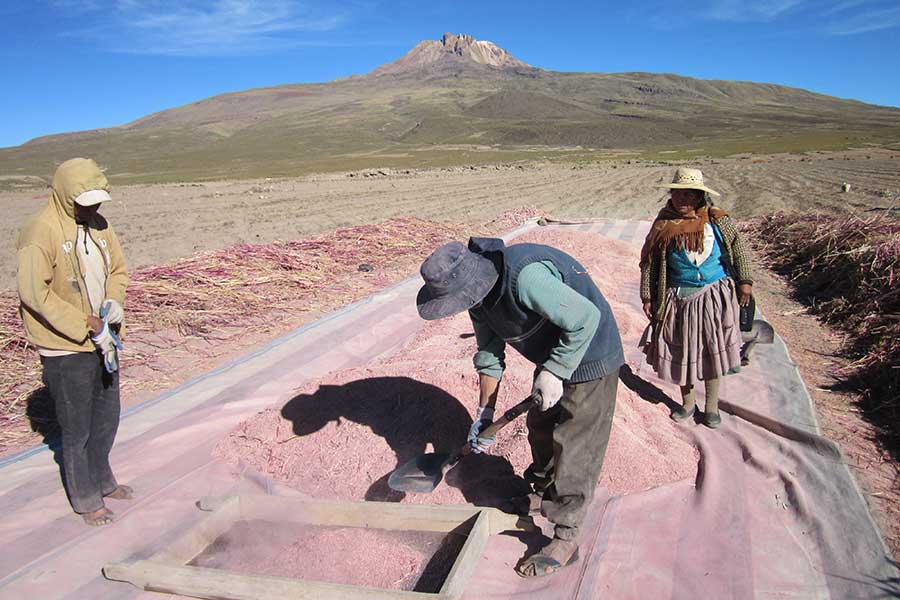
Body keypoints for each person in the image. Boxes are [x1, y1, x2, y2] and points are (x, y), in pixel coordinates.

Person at [417, 237, 624, 577]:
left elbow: (587, 318)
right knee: (540, 428)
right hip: (554, 357)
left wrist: (556, 370)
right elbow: (488, 356)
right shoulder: (478, 299)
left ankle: (566, 535)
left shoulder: (525, 279)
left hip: (592, 353)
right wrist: (484, 414)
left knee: (575, 443)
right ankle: (544, 494)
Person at [16, 157, 131, 526]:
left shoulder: (99, 225)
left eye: (98, 200)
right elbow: (35, 292)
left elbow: (117, 269)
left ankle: (103, 479)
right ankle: (85, 498)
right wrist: (84, 324)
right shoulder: (42, 231)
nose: (94, 207)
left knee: (107, 417)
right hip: (66, 345)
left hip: (104, 340)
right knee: (77, 425)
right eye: (86, 201)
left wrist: (113, 304)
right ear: (66, 195)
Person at [638, 167, 752, 428]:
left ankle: (711, 407)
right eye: (678, 194)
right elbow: (650, 264)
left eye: (690, 195)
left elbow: (739, 248)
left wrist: (745, 282)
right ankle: (688, 404)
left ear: (701, 196)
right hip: (678, 299)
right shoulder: (663, 224)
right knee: (682, 352)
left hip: (714, 295)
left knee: (713, 351)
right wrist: (648, 296)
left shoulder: (717, 220)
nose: (683, 200)